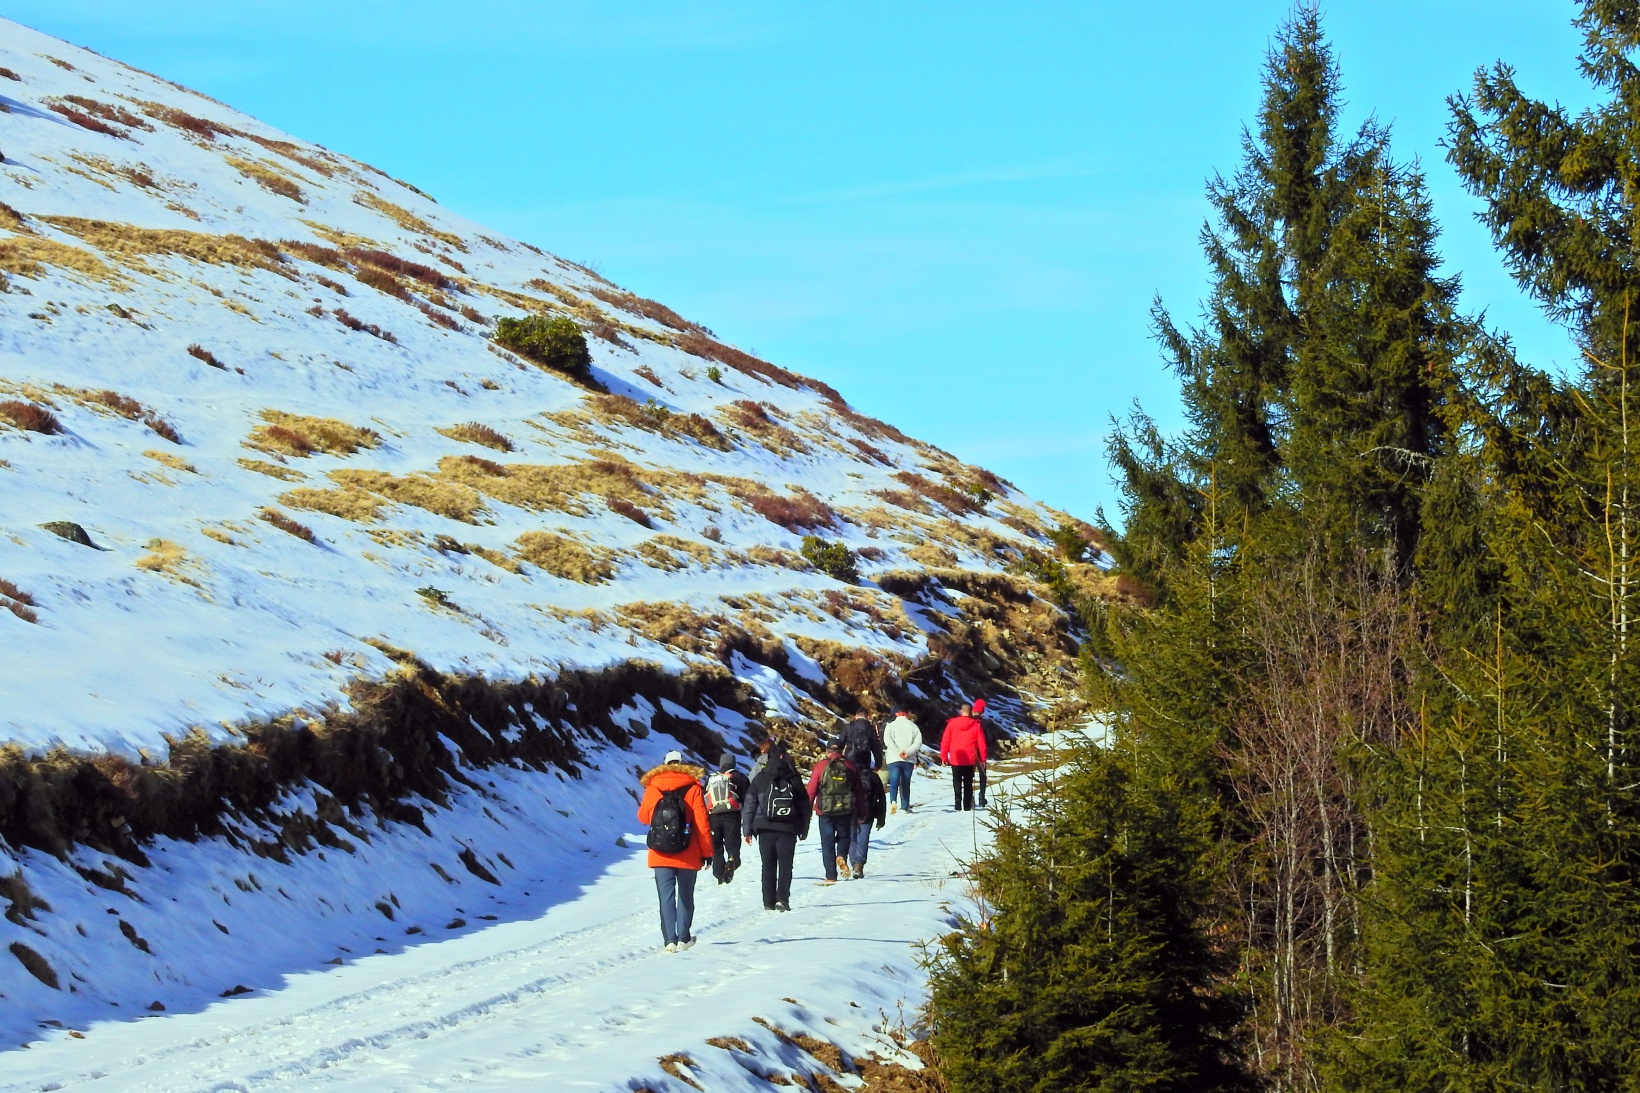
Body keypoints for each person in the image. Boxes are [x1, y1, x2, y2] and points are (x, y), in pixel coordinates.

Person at [637, 749, 713, 952]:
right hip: (688, 852)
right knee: (685, 896)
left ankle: (669, 940)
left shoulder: (653, 786)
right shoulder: (693, 787)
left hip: (660, 853)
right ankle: (684, 938)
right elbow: (702, 823)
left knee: (666, 898)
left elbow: (643, 817)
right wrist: (707, 852)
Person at [741, 741, 811, 910]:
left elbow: (749, 803)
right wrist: (803, 828)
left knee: (768, 864)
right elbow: (804, 805)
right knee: (786, 865)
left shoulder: (760, 777)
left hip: (764, 827)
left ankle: (768, 901)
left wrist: (747, 829)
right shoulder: (793, 777)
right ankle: (782, 899)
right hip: (788, 827)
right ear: (782, 756)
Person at [807, 737, 867, 883]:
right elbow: (859, 791)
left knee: (827, 843)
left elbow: (811, 790)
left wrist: (807, 810)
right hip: (845, 809)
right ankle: (841, 855)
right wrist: (861, 812)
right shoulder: (850, 766)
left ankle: (830, 876)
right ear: (842, 750)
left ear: (827, 751)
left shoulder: (821, 767)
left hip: (825, 810)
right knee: (844, 838)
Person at [704, 756, 750, 884]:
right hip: (732, 816)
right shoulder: (740, 777)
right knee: (732, 844)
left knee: (717, 848)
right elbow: (749, 798)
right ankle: (732, 860)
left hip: (714, 818)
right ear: (734, 763)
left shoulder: (711, 778)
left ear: (720, 764)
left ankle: (719, 875)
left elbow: (705, 799)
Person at [940, 703, 987, 811]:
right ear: (971, 712)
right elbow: (982, 744)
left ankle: (957, 802)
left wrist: (944, 756)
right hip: (970, 759)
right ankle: (966, 805)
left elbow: (945, 741)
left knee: (956, 781)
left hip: (956, 757)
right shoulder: (976, 725)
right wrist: (983, 759)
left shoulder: (952, 724)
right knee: (968, 783)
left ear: (961, 711)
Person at [849, 760, 887, 878]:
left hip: (850, 811)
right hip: (868, 812)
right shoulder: (873, 776)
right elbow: (881, 797)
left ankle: (853, 862)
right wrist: (881, 818)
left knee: (852, 839)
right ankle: (859, 864)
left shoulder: (848, 774)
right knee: (863, 838)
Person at [882, 709, 922, 814]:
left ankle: (893, 801)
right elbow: (918, 743)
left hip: (893, 758)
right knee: (905, 783)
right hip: (908, 759)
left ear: (897, 713)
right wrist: (907, 752)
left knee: (894, 781)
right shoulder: (914, 727)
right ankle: (905, 806)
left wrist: (898, 751)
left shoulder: (890, 726)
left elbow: (887, 740)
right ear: (906, 713)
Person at [973, 697, 1005, 808]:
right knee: (982, 776)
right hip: (981, 753)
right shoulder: (985, 724)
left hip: (968, 752)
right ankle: (982, 797)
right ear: (982, 713)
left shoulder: (969, 722)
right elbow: (990, 738)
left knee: (968, 776)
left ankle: (969, 797)